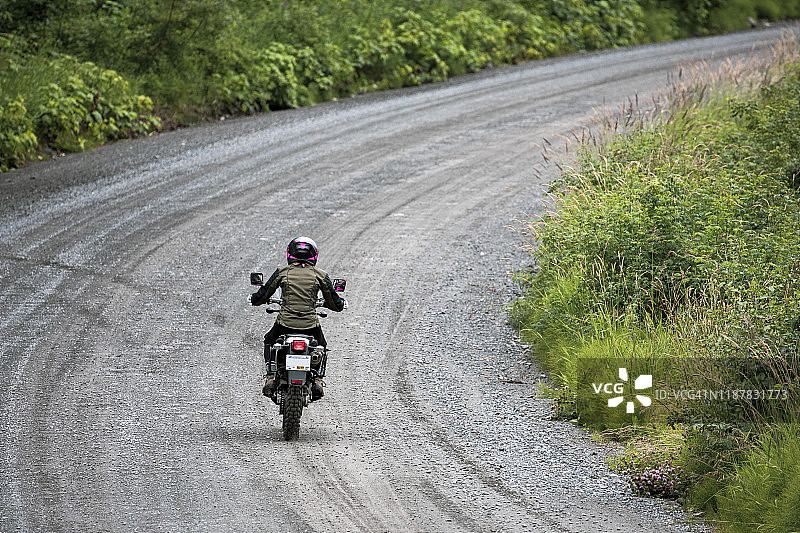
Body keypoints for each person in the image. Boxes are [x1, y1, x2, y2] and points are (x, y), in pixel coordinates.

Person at [250, 237, 346, 400]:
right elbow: (335, 304)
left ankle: (271, 375)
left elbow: (263, 295)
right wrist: (339, 303)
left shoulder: (282, 272)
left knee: (269, 340)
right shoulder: (320, 275)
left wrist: (255, 298)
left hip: (284, 324)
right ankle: (317, 379)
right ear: (314, 256)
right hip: (310, 326)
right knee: (322, 345)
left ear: (290, 253)